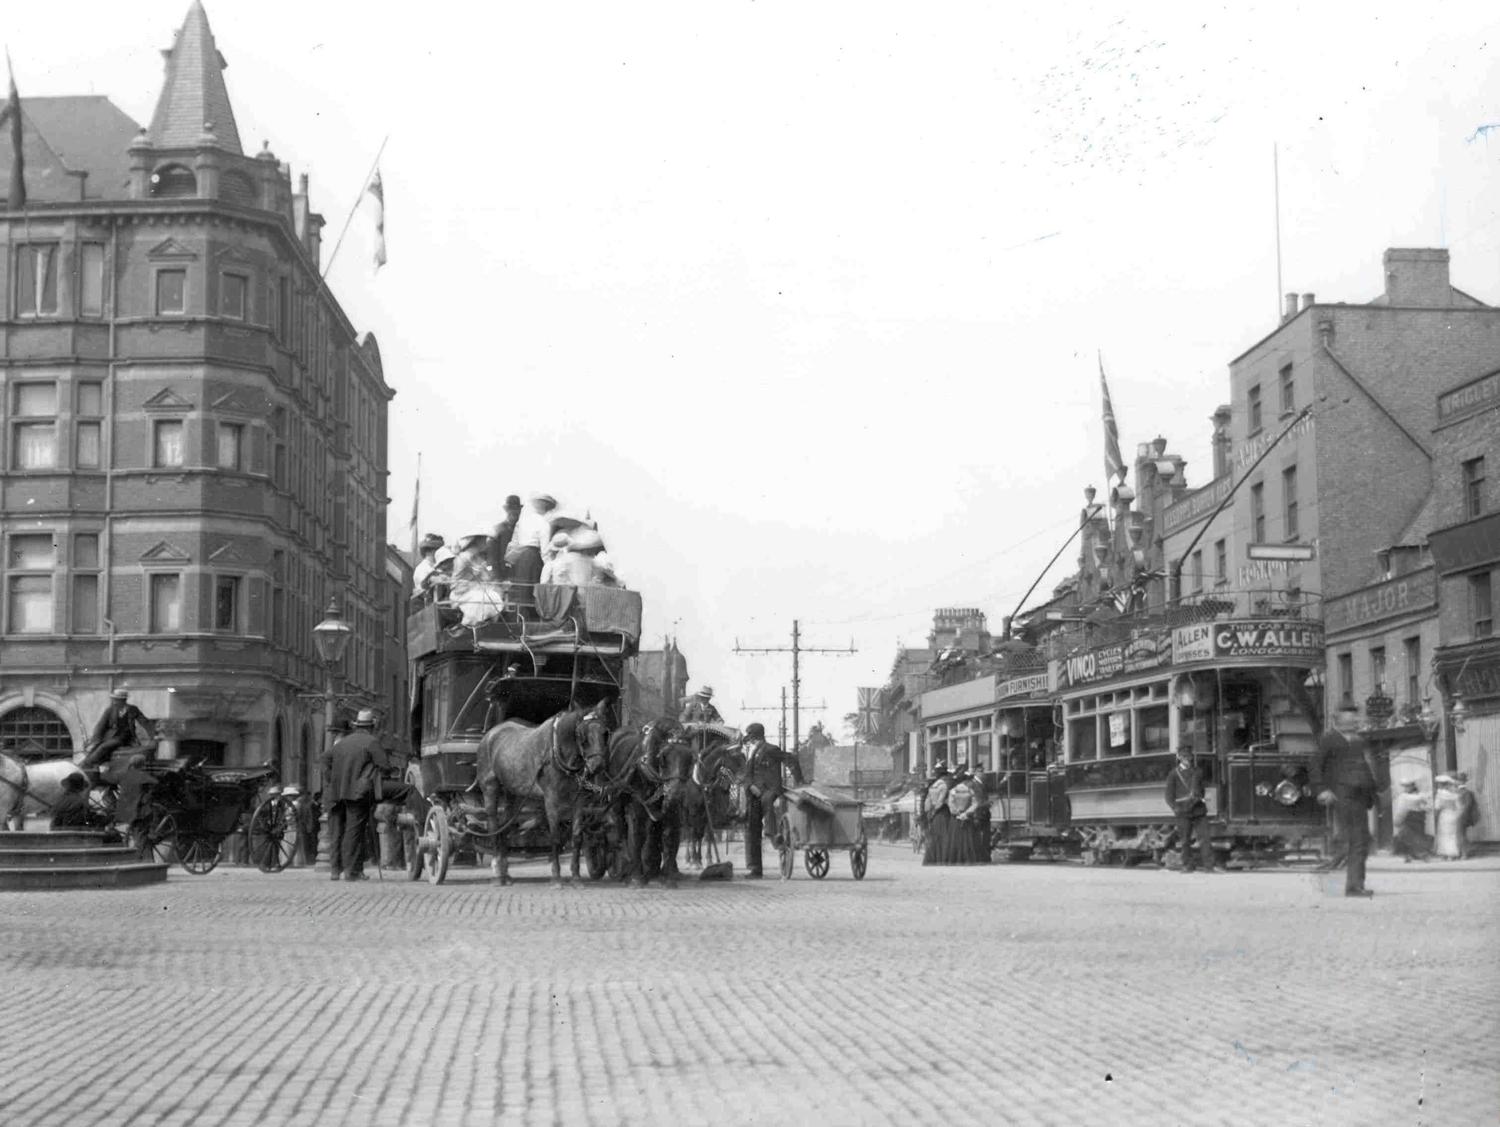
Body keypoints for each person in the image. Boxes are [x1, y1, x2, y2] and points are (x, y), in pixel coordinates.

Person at [1313, 708, 1379, 897]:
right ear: (1338, 722)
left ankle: (1356, 884)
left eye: (1355, 720)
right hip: (1342, 795)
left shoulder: (1358, 741)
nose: (1356, 722)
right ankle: (1353, 886)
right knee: (1355, 840)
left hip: (1361, 797)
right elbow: (1315, 765)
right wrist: (1322, 789)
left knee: (1361, 840)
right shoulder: (1329, 740)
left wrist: (1374, 791)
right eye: (1351, 720)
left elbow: (1366, 767)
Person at [320, 709, 390, 882]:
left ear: (357, 725)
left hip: (336, 792)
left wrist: (331, 778)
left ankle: (335, 871)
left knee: (336, 832)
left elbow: (324, 759)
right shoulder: (371, 742)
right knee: (354, 831)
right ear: (372, 726)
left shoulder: (343, 743)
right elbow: (385, 765)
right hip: (357, 793)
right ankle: (352, 871)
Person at [739, 722, 803, 878]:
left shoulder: (771, 749)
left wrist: (799, 782)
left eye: (751, 738)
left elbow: (791, 760)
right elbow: (746, 776)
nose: (750, 741)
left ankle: (772, 834)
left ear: (757, 737)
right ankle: (755, 868)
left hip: (770, 790)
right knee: (751, 827)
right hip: (754, 793)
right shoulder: (751, 753)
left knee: (767, 803)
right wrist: (750, 786)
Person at [1164, 747, 1215, 873]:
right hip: (1183, 811)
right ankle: (1187, 865)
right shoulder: (1173, 774)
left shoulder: (1198, 771)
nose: (1187, 760)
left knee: (1205, 838)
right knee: (1185, 840)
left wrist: (1200, 798)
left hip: (1198, 809)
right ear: (1180, 758)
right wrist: (1175, 808)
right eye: (1185, 757)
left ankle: (1209, 866)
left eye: (1189, 757)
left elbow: (1201, 789)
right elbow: (1169, 795)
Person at [82, 690, 152, 771]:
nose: (114, 702)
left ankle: (87, 764)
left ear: (123, 700)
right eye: (114, 699)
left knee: (104, 747)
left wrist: (153, 735)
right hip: (111, 736)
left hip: (125, 737)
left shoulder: (133, 709)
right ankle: (88, 764)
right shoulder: (110, 710)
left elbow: (145, 722)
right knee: (96, 747)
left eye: (116, 699)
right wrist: (96, 739)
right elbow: (101, 725)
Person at [506, 492, 557, 593]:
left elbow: (513, 542)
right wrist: (550, 568)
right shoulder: (544, 523)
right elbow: (545, 550)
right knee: (530, 589)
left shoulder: (523, 520)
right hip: (533, 557)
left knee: (520, 588)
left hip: (519, 556)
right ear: (546, 507)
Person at [1391, 779, 1432, 863]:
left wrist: (1422, 807)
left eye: (1407, 786)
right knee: (1407, 836)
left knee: (1417, 837)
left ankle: (1422, 854)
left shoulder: (1409, 796)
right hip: (1410, 817)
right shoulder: (1409, 796)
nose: (1405, 788)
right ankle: (1410, 855)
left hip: (1415, 817)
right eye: (1405, 786)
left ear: (1412, 786)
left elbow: (1427, 806)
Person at [488, 495, 523, 578]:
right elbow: (492, 557)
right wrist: (497, 578)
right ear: (507, 510)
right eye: (512, 508)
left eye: (517, 509)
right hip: (502, 574)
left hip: (519, 573)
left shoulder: (522, 530)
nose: (515, 511)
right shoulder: (498, 530)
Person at [1433, 776, 1464, 860]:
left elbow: (1437, 806)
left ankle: (1444, 854)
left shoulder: (1439, 795)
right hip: (1453, 815)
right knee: (1452, 835)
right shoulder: (1455, 795)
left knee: (1443, 834)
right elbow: (1459, 807)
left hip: (1444, 815)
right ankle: (1452, 854)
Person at [1455, 772, 1480, 859]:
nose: (1459, 782)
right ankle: (1461, 852)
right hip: (1458, 815)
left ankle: (1464, 853)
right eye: (1458, 780)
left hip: (1461, 815)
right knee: (1460, 834)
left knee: (1461, 834)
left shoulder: (1466, 792)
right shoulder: (1459, 792)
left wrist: (1461, 813)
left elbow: (1468, 805)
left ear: (1464, 782)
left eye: (1460, 780)